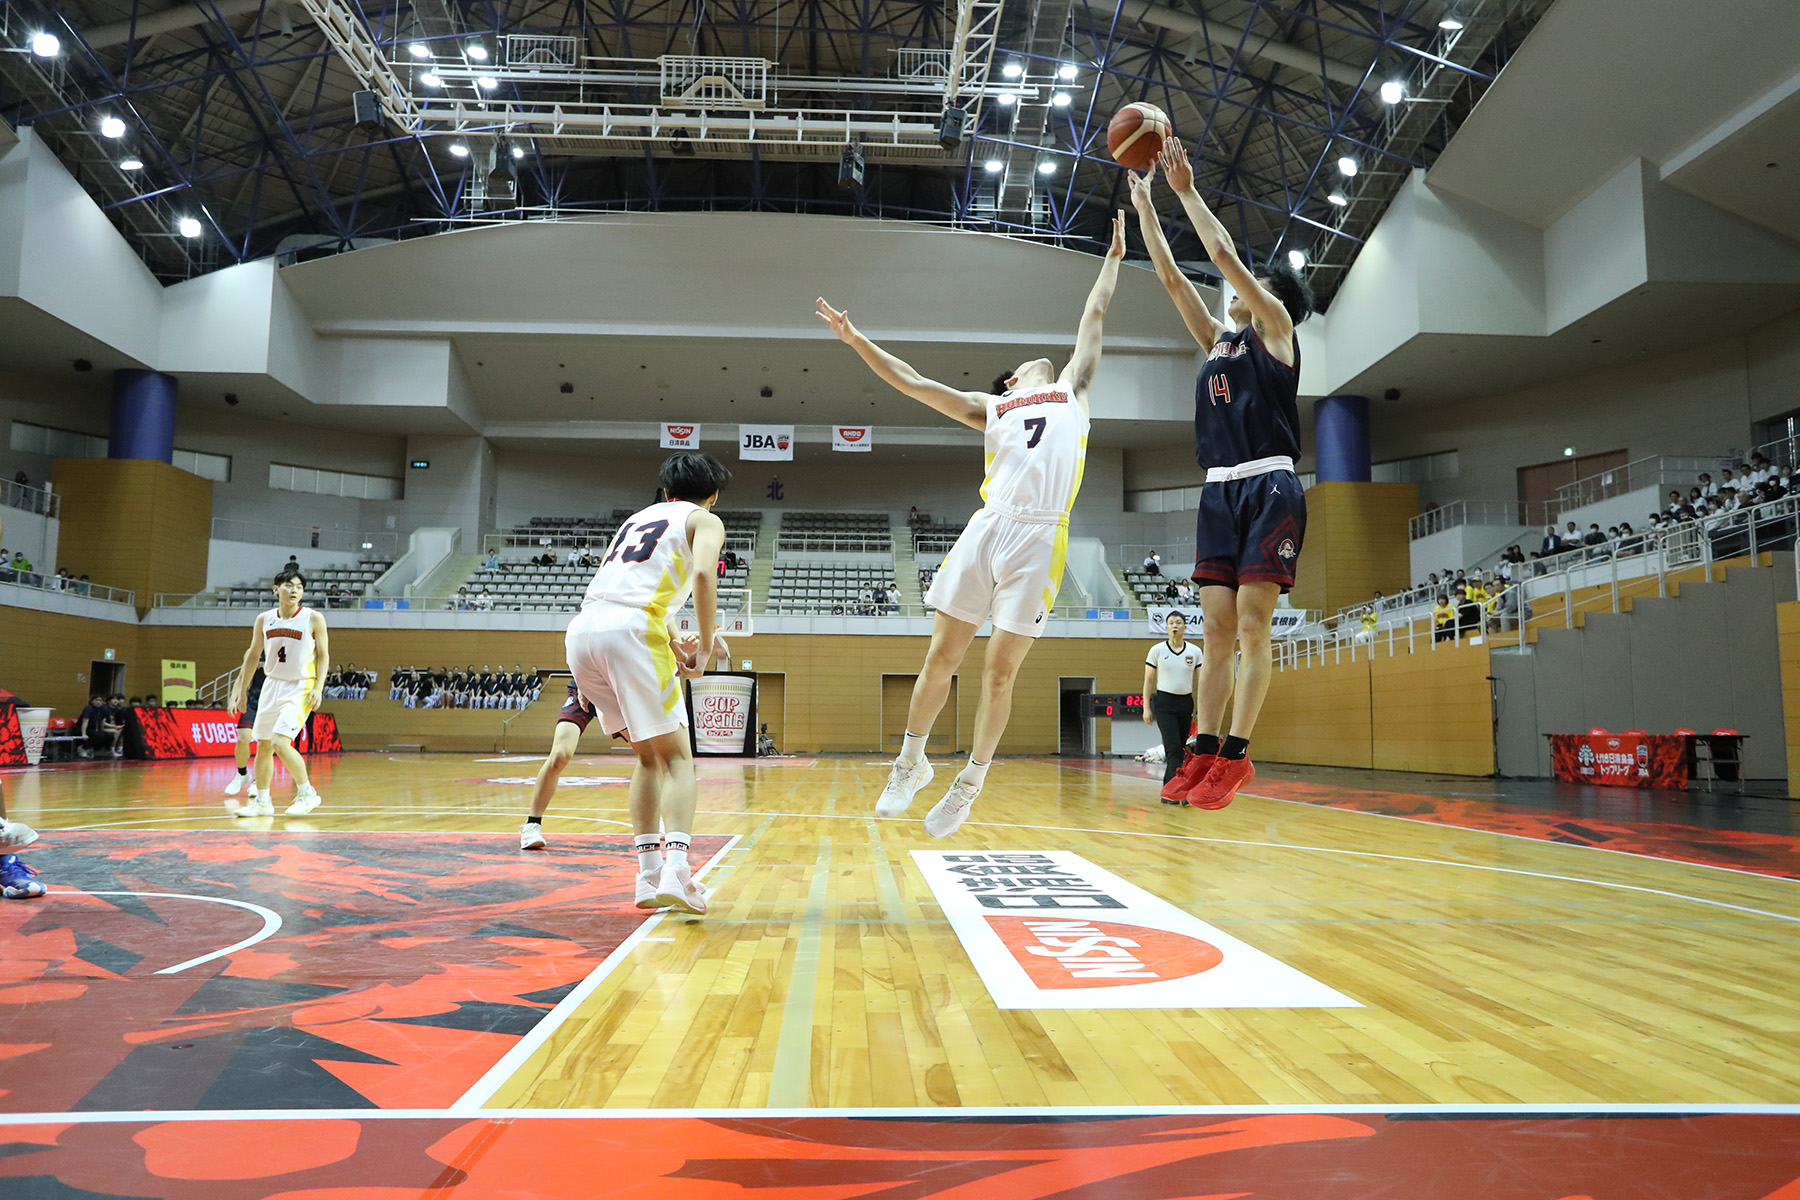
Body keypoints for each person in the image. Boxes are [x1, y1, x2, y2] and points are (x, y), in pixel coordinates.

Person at [818, 209, 1126, 837]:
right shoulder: (995, 404)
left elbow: (1093, 316)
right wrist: (857, 341)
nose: (1038, 359)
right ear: (1013, 380)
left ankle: (970, 783)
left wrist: (1114, 260)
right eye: (1023, 363)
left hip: (1043, 534)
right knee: (941, 656)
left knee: (1000, 671)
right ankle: (910, 762)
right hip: (990, 526)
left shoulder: (1075, 388)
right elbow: (912, 383)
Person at [1131, 144, 1314, 810]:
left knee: (1253, 626)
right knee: (1214, 630)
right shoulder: (1217, 340)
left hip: (1269, 484)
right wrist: (1147, 207)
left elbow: (1223, 256)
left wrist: (1184, 192)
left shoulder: (1276, 329)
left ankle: (1235, 755)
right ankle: (1201, 751)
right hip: (1219, 489)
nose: (1231, 289)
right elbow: (1173, 279)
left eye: (1245, 285)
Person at [564, 453, 732, 913]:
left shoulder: (636, 520)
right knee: (678, 758)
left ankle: (647, 878)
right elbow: (701, 575)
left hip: (583, 631)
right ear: (713, 495)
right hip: (632, 631)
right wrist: (704, 643)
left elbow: (625, 593)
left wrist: (675, 638)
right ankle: (678, 874)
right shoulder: (705, 520)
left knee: (647, 758)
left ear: (664, 491)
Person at [227, 567, 329, 817]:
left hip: (300, 685)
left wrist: (319, 687)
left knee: (280, 742)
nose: (294, 590)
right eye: (289, 585)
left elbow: (324, 655)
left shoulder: (313, 618)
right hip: (272, 684)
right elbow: (252, 656)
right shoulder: (264, 619)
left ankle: (307, 793)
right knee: (263, 745)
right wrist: (241, 691)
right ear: (276, 589)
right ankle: (262, 802)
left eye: (299, 587)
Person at [1143, 612, 1202, 799]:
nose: (1175, 626)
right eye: (1171, 623)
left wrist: (1200, 709)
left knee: (1181, 748)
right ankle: (1171, 791)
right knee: (1173, 747)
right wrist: (1146, 707)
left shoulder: (1195, 652)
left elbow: (1201, 683)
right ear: (1166, 628)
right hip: (1164, 703)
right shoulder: (1157, 650)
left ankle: (1171, 790)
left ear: (1185, 627)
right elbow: (1148, 681)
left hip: (1185, 703)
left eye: (1178, 623)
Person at [224, 656, 268, 802]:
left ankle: (258, 782)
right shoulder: (253, 651)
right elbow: (241, 678)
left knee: (265, 744)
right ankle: (242, 774)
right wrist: (233, 699)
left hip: (271, 703)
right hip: (252, 703)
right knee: (243, 737)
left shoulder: (280, 646)